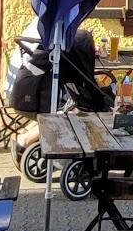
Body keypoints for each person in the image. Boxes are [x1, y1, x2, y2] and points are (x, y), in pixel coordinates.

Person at [9, 29, 110, 159]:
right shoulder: (57, 56)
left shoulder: (47, 47)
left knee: (70, 106)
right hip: (32, 100)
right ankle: (25, 140)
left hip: (22, 92)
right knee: (73, 113)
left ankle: (25, 133)